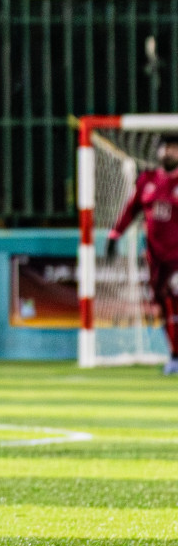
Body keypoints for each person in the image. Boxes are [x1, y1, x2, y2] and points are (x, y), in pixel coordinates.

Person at [106, 134, 178, 375]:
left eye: (174, 149)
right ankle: (175, 355)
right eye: (166, 148)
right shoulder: (147, 180)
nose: (169, 152)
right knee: (163, 307)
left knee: (174, 303)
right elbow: (131, 209)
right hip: (156, 259)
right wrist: (115, 234)